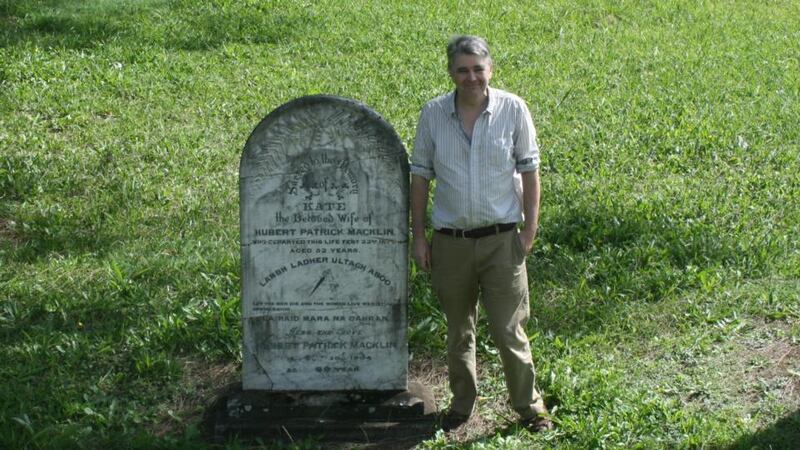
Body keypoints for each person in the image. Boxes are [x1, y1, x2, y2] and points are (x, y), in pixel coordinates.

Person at [410, 35, 553, 432]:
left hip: (501, 239)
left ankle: (529, 407)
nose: (471, 77)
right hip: (451, 242)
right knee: (459, 331)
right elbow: (419, 175)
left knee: (510, 330)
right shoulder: (433, 114)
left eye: (478, 68)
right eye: (462, 69)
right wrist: (419, 236)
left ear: (490, 69)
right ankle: (461, 405)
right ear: (451, 72)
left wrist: (529, 230)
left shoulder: (513, 109)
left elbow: (530, 170)